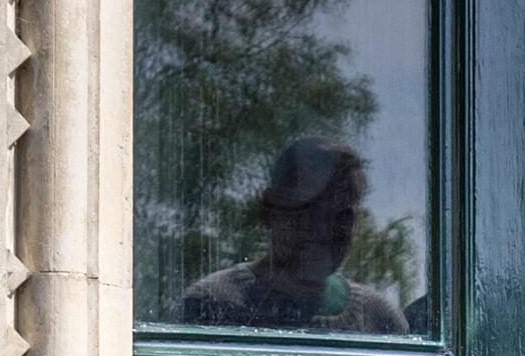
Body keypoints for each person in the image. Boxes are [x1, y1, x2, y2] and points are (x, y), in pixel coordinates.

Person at [175, 137, 409, 334]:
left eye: (342, 216)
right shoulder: (211, 305)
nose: (323, 230)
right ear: (268, 210)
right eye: (308, 210)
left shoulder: (380, 319)